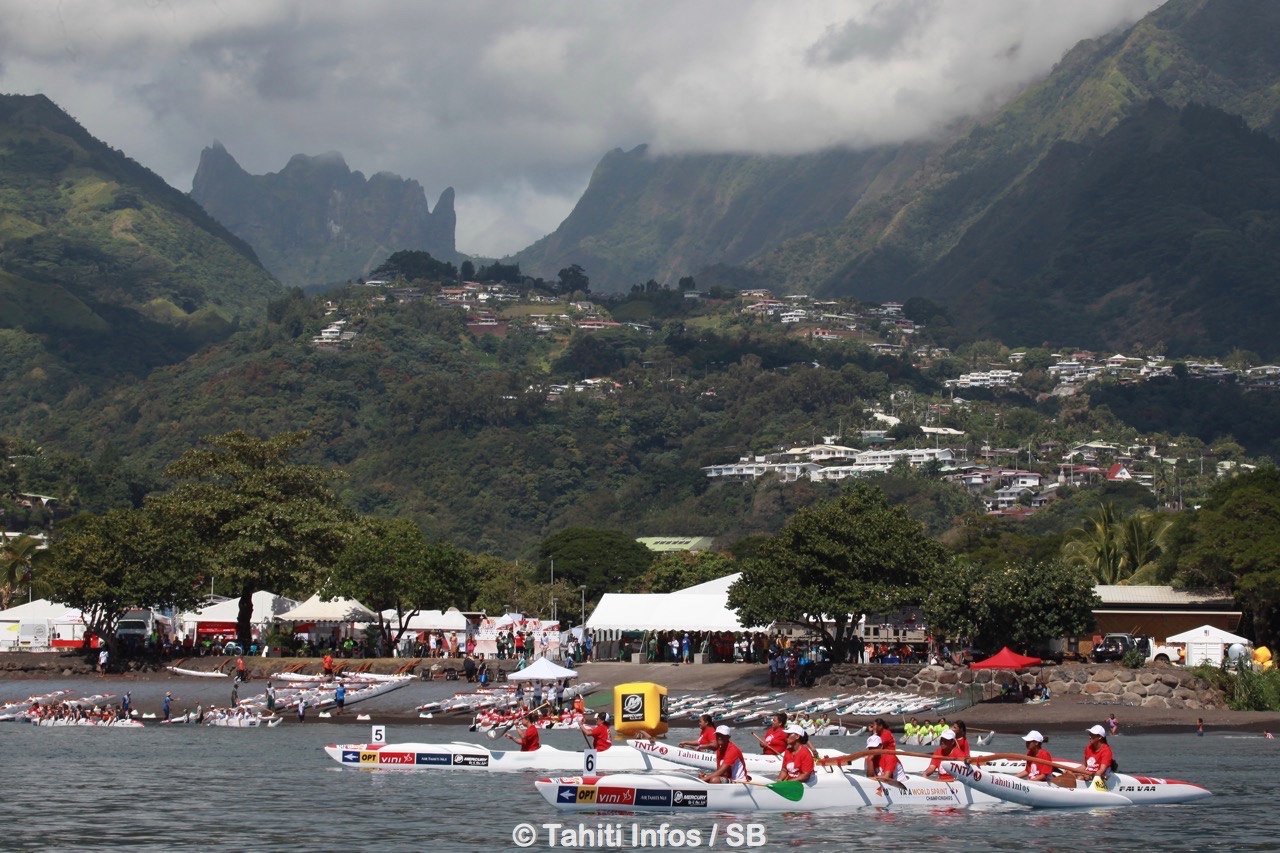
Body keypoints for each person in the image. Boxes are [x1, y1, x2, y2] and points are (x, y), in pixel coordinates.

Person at [1074, 725, 1116, 789]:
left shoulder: (1106, 751)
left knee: (1079, 778)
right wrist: (1071, 771)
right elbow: (1085, 766)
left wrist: (1090, 776)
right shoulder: (1088, 747)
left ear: (1100, 737)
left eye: (1092, 735)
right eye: (1089, 734)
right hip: (1088, 774)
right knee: (1070, 775)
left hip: (1101, 778)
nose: (1089, 737)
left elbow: (1101, 771)